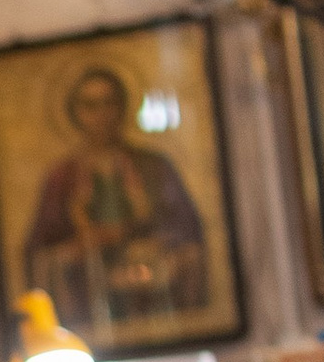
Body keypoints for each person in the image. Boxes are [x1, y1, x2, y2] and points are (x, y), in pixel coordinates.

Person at [22, 61, 208, 335]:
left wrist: (157, 245)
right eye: (91, 106)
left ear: (121, 107)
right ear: (76, 113)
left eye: (109, 103)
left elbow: (188, 231)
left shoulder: (154, 166)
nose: (102, 115)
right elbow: (39, 252)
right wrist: (75, 250)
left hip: (152, 294)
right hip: (87, 295)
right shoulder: (61, 178)